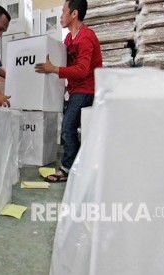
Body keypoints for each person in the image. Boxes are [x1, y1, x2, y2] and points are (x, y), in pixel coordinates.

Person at [34, 0, 102, 182]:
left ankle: (67, 169)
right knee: (69, 128)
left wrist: (53, 69)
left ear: (74, 14)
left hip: (87, 89)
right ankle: (77, 165)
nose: (60, 15)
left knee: (67, 128)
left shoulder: (86, 37)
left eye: (63, 11)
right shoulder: (68, 39)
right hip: (74, 90)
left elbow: (82, 70)